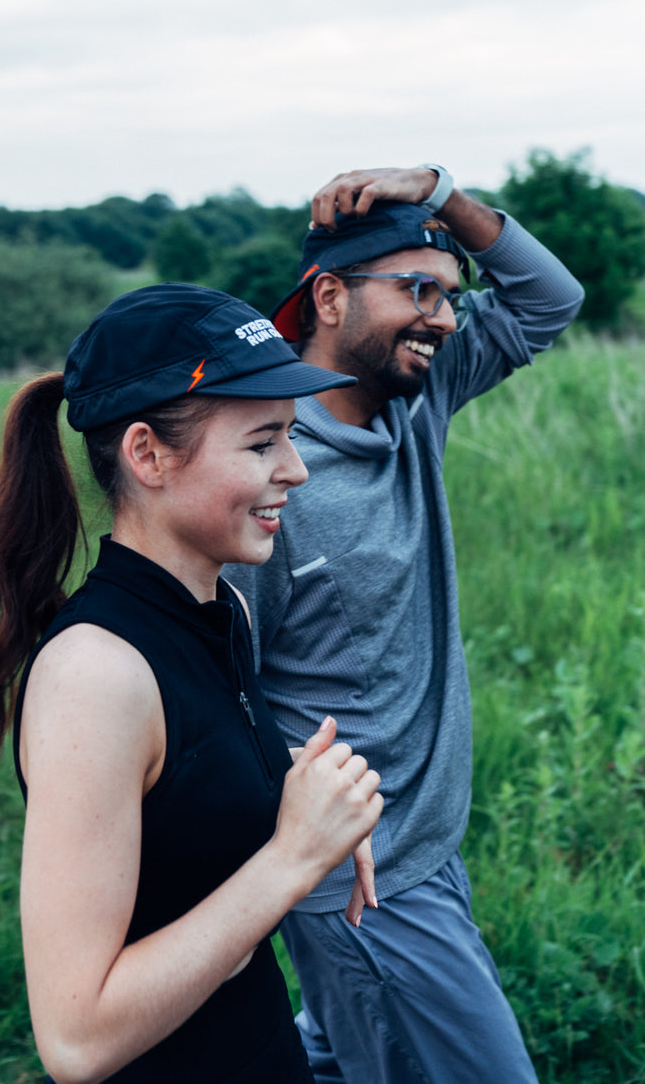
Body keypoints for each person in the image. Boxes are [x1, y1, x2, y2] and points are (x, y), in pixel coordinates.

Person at [0, 282, 383, 1084]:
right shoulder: (95, 677)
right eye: (261, 444)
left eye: (290, 437)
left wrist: (312, 803)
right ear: (146, 455)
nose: (297, 469)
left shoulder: (221, 611)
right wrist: (291, 856)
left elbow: (189, 828)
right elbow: (77, 1039)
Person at [224, 165, 585, 1084]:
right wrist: (302, 861)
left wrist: (441, 187)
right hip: (367, 883)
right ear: (330, 296)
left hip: (425, 847)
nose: (442, 316)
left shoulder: (414, 397)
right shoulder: (266, 477)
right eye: (416, 290)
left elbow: (551, 297)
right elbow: (221, 688)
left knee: (343, 1057)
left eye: (451, 296)